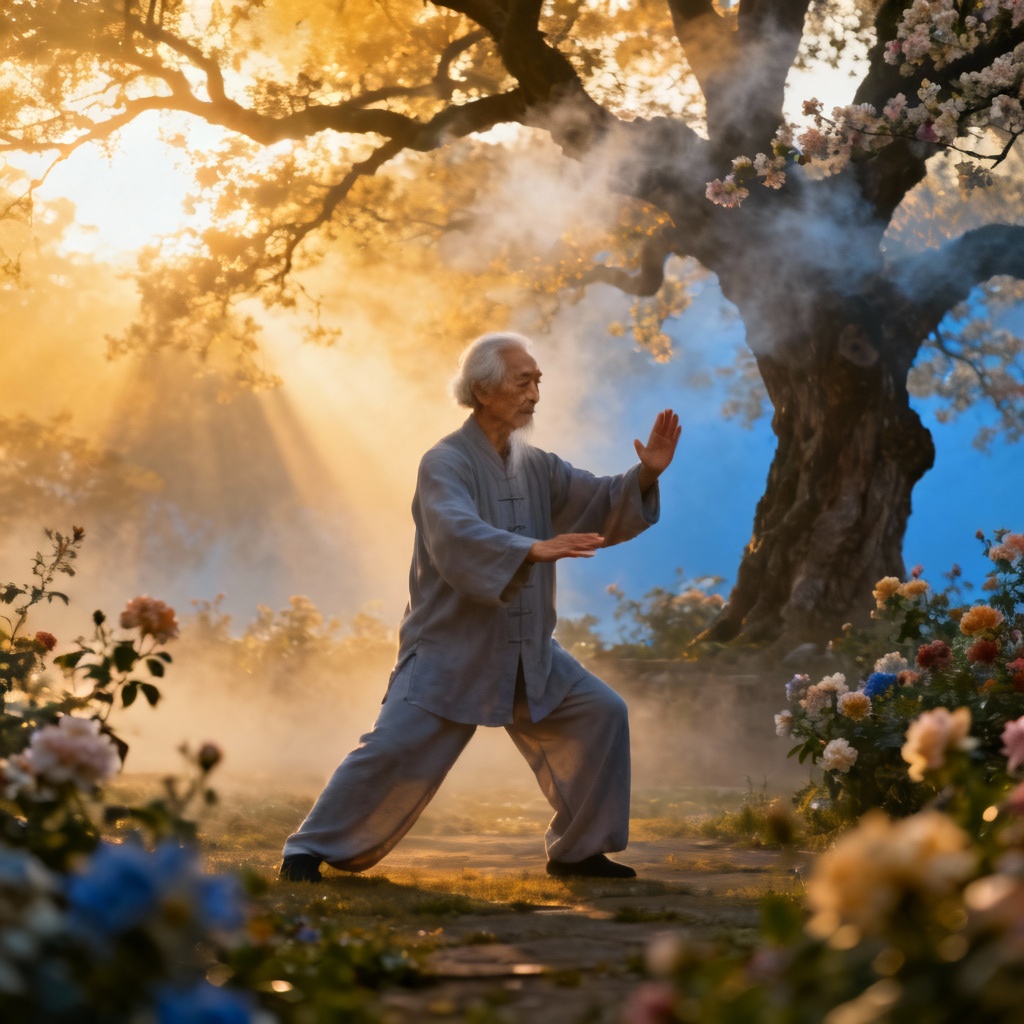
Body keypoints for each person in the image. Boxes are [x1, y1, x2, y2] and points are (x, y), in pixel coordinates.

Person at [280, 332, 680, 882]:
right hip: (451, 646)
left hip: (527, 649)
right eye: (523, 381)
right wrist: (529, 549)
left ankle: (580, 851)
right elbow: (454, 531)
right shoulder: (443, 462)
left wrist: (647, 474)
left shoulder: (535, 464)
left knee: (600, 713)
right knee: (394, 746)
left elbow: (597, 498)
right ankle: (306, 850)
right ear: (483, 389)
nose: (536, 393)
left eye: (538, 380)